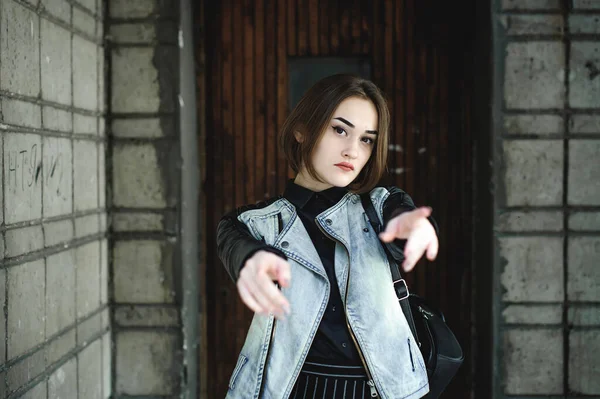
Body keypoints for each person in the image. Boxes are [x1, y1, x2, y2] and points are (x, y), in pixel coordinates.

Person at [217, 74, 439, 399]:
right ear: (303, 129)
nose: (352, 150)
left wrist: (413, 225)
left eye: (366, 139)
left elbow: (400, 214)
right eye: (340, 130)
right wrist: (252, 259)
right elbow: (235, 243)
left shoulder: (378, 206)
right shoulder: (256, 222)